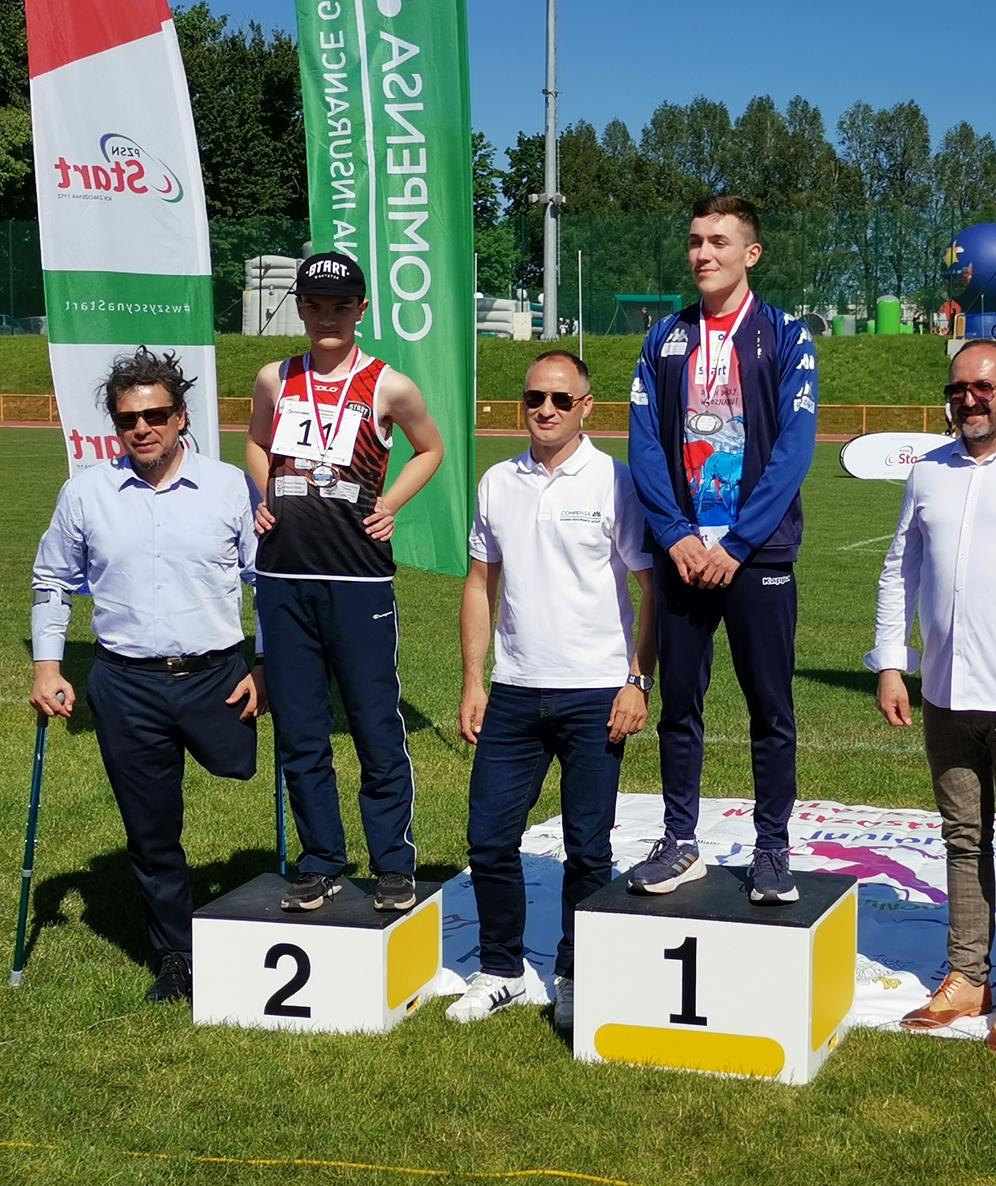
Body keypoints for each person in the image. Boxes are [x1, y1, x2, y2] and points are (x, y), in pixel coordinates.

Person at [30, 348, 267, 1002]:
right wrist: (48, 666)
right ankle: (176, 956)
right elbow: (51, 581)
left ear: (181, 416)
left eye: (156, 415)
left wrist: (266, 665)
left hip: (216, 676)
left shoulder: (228, 487)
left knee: (243, 768)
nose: (142, 429)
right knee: (151, 830)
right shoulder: (85, 494)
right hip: (126, 684)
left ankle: (302, 897)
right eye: (127, 419)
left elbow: (267, 580)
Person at [867, 340, 996, 1052]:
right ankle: (966, 975)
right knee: (961, 836)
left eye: (983, 387)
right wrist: (891, 663)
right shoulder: (930, 470)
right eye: (957, 388)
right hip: (945, 690)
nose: (968, 399)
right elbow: (899, 568)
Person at [449, 351, 655, 1029]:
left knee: (587, 849)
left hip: (596, 693)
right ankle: (501, 970)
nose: (545, 409)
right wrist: (473, 679)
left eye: (561, 400)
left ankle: (575, 973)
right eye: (534, 397)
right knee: (488, 840)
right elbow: (479, 584)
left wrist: (636, 680)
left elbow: (650, 589)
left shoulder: (614, 481)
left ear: (586, 407)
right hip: (513, 690)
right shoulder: (496, 482)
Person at [624, 194, 817, 905]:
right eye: (695, 241)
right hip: (681, 554)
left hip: (755, 556)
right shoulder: (664, 338)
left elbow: (794, 448)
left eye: (718, 242)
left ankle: (772, 848)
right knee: (679, 705)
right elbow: (644, 444)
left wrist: (738, 542)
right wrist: (676, 534)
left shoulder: (786, 335)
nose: (702, 253)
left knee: (770, 708)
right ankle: (679, 841)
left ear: (750, 254)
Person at [246, 252, 444, 914]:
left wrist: (392, 504)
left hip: (356, 580)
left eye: (339, 306)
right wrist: (263, 493)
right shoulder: (275, 377)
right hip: (284, 577)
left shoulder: (389, 385)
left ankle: (392, 862)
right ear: (299, 308)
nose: (326, 317)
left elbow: (430, 448)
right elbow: (256, 443)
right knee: (301, 732)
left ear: (360, 309)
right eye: (314, 305)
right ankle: (321, 860)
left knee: (374, 726)